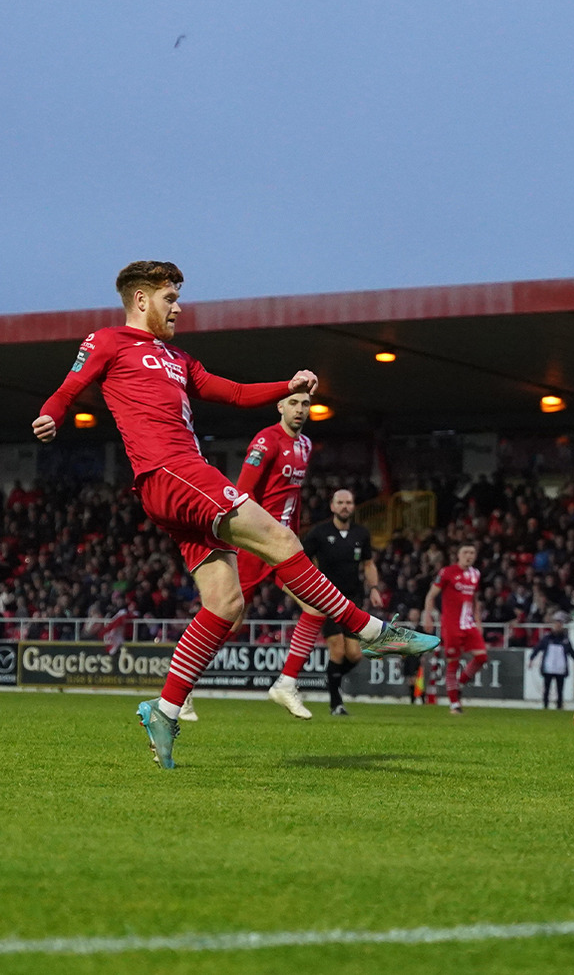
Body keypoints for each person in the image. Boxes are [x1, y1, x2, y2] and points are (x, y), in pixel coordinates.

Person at [32, 261, 438, 769]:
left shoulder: (178, 357)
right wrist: (52, 412)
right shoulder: (109, 341)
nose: (178, 306)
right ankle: (375, 633)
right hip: (171, 471)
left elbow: (236, 394)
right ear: (140, 300)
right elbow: (72, 385)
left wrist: (287, 385)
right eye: (169, 297)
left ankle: (164, 708)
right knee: (284, 540)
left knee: (225, 604)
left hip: (180, 481)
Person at [225, 391, 325, 721]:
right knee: (229, 621)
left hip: (284, 545)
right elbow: (244, 491)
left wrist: (295, 542)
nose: (300, 409)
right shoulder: (266, 441)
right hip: (256, 544)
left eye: (305, 404)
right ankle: (182, 688)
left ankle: (286, 683)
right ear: (280, 406)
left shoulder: (306, 445)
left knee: (315, 605)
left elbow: (291, 499)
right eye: (293, 403)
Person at [300, 488, 383, 715]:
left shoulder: (361, 534)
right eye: (340, 502)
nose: (345, 506)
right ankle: (336, 702)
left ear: (353, 506)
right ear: (333, 506)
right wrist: (311, 586)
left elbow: (368, 563)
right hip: (327, 600)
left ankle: (332, 678)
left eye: (349, 502)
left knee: (354, 654)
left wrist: (374, 588)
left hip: (353, 600)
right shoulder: (319, 533)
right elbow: (302, 559)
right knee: (337, 650)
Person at [422, 542, 488, 714]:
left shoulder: (475, 574)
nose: (469, 555)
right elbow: (431, 596)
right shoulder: (447, 572)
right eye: (466, 552)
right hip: (451, 625)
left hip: (469, 624)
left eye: (472, 552)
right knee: (453, 663)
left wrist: (478, 621)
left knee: (481, 657)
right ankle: (454, 704)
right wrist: (427, 616)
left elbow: (474, 600)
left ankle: (458, 684)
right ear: (458, 555)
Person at [529, 610, 574, 709]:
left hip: (560, 668)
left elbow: (571, 651)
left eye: (560, 624)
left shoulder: (565, 639)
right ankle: (545, 705)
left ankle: (559, 706)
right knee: (547, 688)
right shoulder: (547, 638)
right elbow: (538, 648)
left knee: (560, 689)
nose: (558, 626)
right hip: (548, 667)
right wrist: (531, 658)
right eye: (556, 624)